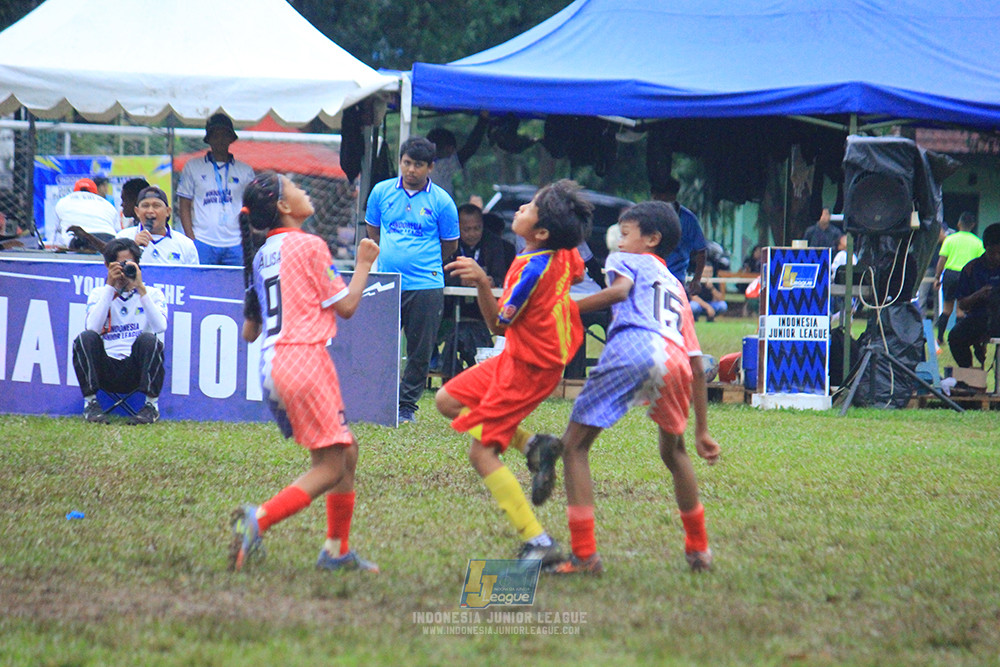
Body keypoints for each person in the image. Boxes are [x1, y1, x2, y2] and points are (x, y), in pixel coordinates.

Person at [530, 200, 720, 575]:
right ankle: (699, 550)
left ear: (651, 240)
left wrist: (563, 308)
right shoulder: (676, 287)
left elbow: (619, 293)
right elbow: (697, 364)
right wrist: (702, 431)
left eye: (626, 233)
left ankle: (585, 556)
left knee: (574, 446)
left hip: (634, 346)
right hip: (675, 360)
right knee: (675, 451)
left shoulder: (627, 260)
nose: (618, 241)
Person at [228, 171, 381, 574]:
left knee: (345, 451)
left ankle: (336, 551)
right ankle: (258, 519)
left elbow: (250, 331)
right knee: (330, 467)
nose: (306, 190)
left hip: (273, 365)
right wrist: (365, 263)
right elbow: (345, 307)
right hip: (305, 361)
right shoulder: (310, 245)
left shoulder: (262, 253)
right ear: (283, 206)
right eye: (296, 187)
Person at [435, 179, 593, 568]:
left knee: (481, 453)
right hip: (526, 358)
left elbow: (497, 325)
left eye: (529, 208)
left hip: (529, 367)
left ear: (540, 232)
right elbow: (574, 271)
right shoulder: (564, 253)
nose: (519, 210)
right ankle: (531, 446)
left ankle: (537, 540)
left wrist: (482, 283)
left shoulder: (528, 270)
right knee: (446, 400)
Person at [365, 136, 459, 423]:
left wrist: (423, 263)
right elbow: (373, 231)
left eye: (418, 165)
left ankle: (406, 406)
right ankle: (377, 400)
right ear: (400, 162)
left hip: (426, 285)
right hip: (386, 281)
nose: (411, 170)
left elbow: (450, 245)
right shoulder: (381, 192)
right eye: (407, 163)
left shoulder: (442, 201)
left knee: (420, 349)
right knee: (380, 343)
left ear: (430, 167)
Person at [71, 237, 167, 425]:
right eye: (118, 265)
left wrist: (140, 288)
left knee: (150, 340)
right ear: (107, 265)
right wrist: (110, 287)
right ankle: (90, 404)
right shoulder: (99, 293)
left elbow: (160, 327)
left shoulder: (153, 294)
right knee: (85, 338)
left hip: (136, 368)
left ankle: (151, 407)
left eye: (128, 264)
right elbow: (92, 328)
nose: (123, 271)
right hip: (105, 368)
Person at [439, 203, 515, 378]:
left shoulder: (494, 244)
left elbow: (501, 276)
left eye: (477, 228)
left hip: (484, 307)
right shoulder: (449, 242)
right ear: (457, 227)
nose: (472, 233)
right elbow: (440, 272)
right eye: (467, 229)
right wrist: (459, 279)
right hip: (450, 306)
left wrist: (489, 281)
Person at [177, 113, 255, 265]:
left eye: (224, 134)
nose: (220, 139)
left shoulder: (245, 171)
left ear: (231, 138)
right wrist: (191, 239)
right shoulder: (193, 166)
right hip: (202, 240)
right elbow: (184, 205)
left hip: (235, 242)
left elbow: (252, 205)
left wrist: (247, 237)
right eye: (215, 135)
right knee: (202, 287)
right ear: (209, 138)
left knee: (235, 287)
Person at [948, 223, 1000, 368]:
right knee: (955, 337)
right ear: (985, 247)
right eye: (993, 253)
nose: (996, 258)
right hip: (979, 319)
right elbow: (962, 304)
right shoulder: (971, 269)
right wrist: (977, 295)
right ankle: (969, 374)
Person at [115, 186, 199, 265]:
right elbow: (113, 273)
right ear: (137, 211)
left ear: (168, 211)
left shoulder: (186, 244)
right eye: (145, 206)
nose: (150, 211)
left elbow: (194, 278)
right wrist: (133, 249)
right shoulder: (122, 238)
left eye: (156, 206)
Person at [651, 177, 707, 295]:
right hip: (650, 277)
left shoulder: (688, 219)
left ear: (673, 196)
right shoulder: (648, 217)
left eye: (662, 196)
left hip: (676, 279)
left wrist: (696, 280)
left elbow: (701, 251)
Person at [934, 212, 983, 345]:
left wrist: (937, 277)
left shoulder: (950, 239)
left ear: (958, 223)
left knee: (946, 309)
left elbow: (942, 260)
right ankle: (958, 339)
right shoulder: (978, 242)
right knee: (961, 311)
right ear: (973, 225)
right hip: (967, 276)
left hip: (950, 274)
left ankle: (939, 338)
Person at [426, 112, 489, 199]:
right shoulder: (441, 167)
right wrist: (483, 120)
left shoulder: (421, 165)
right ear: (450, 148)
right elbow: (469, 150)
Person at [53, 178, 120, 249]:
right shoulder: (107, 204)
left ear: (75, 191)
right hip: (108, 239)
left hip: (79, 240)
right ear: (95, 191)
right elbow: (117, 230)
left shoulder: (63, 201)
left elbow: (55, 230)